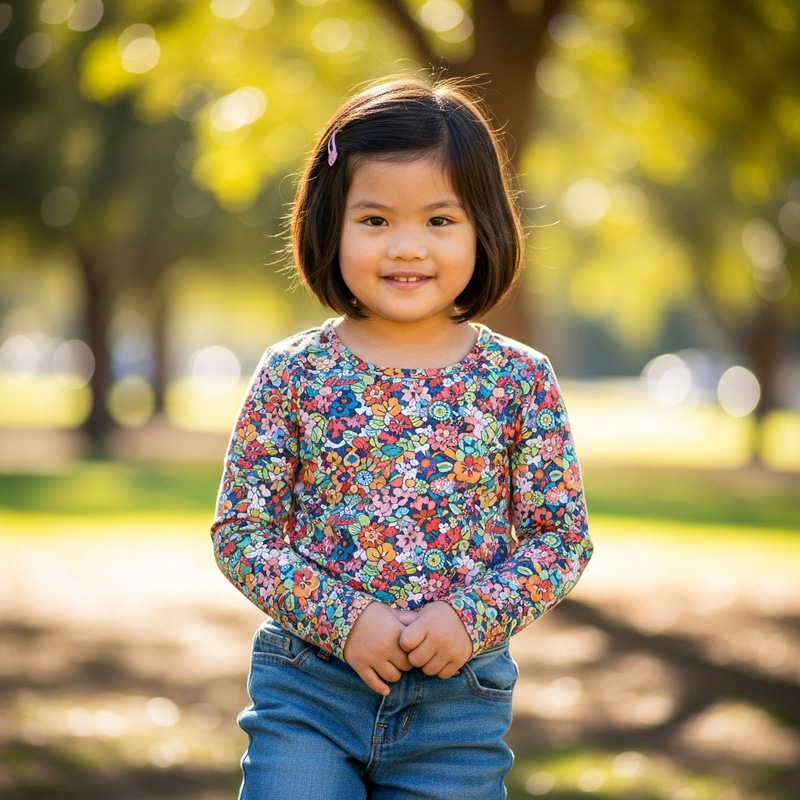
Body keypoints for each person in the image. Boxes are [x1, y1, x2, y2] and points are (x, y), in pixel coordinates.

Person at [211, 76, 593, 800]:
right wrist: (344, 619)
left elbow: (559, 537)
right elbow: (242, 530)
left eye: (440, 221)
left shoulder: (518, 380)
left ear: (485, 226)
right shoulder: (296, 372)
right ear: (330, 223)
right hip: (310, 693)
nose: (407, 248)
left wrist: (469, 615)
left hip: (457, 710)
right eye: (376, 220)